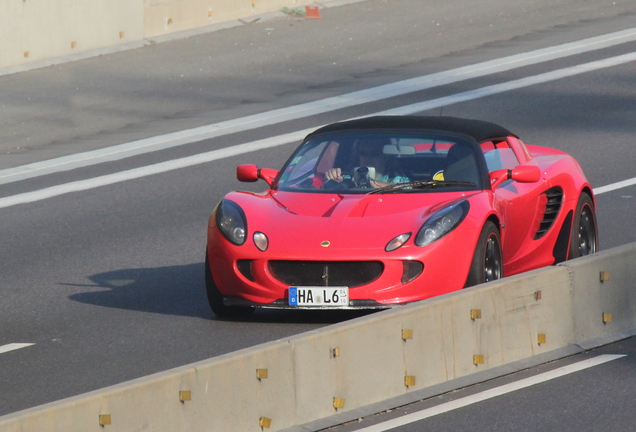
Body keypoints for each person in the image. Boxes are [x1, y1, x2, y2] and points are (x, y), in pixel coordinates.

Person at [325, 138, 410, 188]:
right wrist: (333, 176)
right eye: (363, 154)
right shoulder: (349, 174)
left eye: (374, 154)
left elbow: (407, 191)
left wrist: (374, 183)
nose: (368, 158)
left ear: (385, 157)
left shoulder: (396, 177)